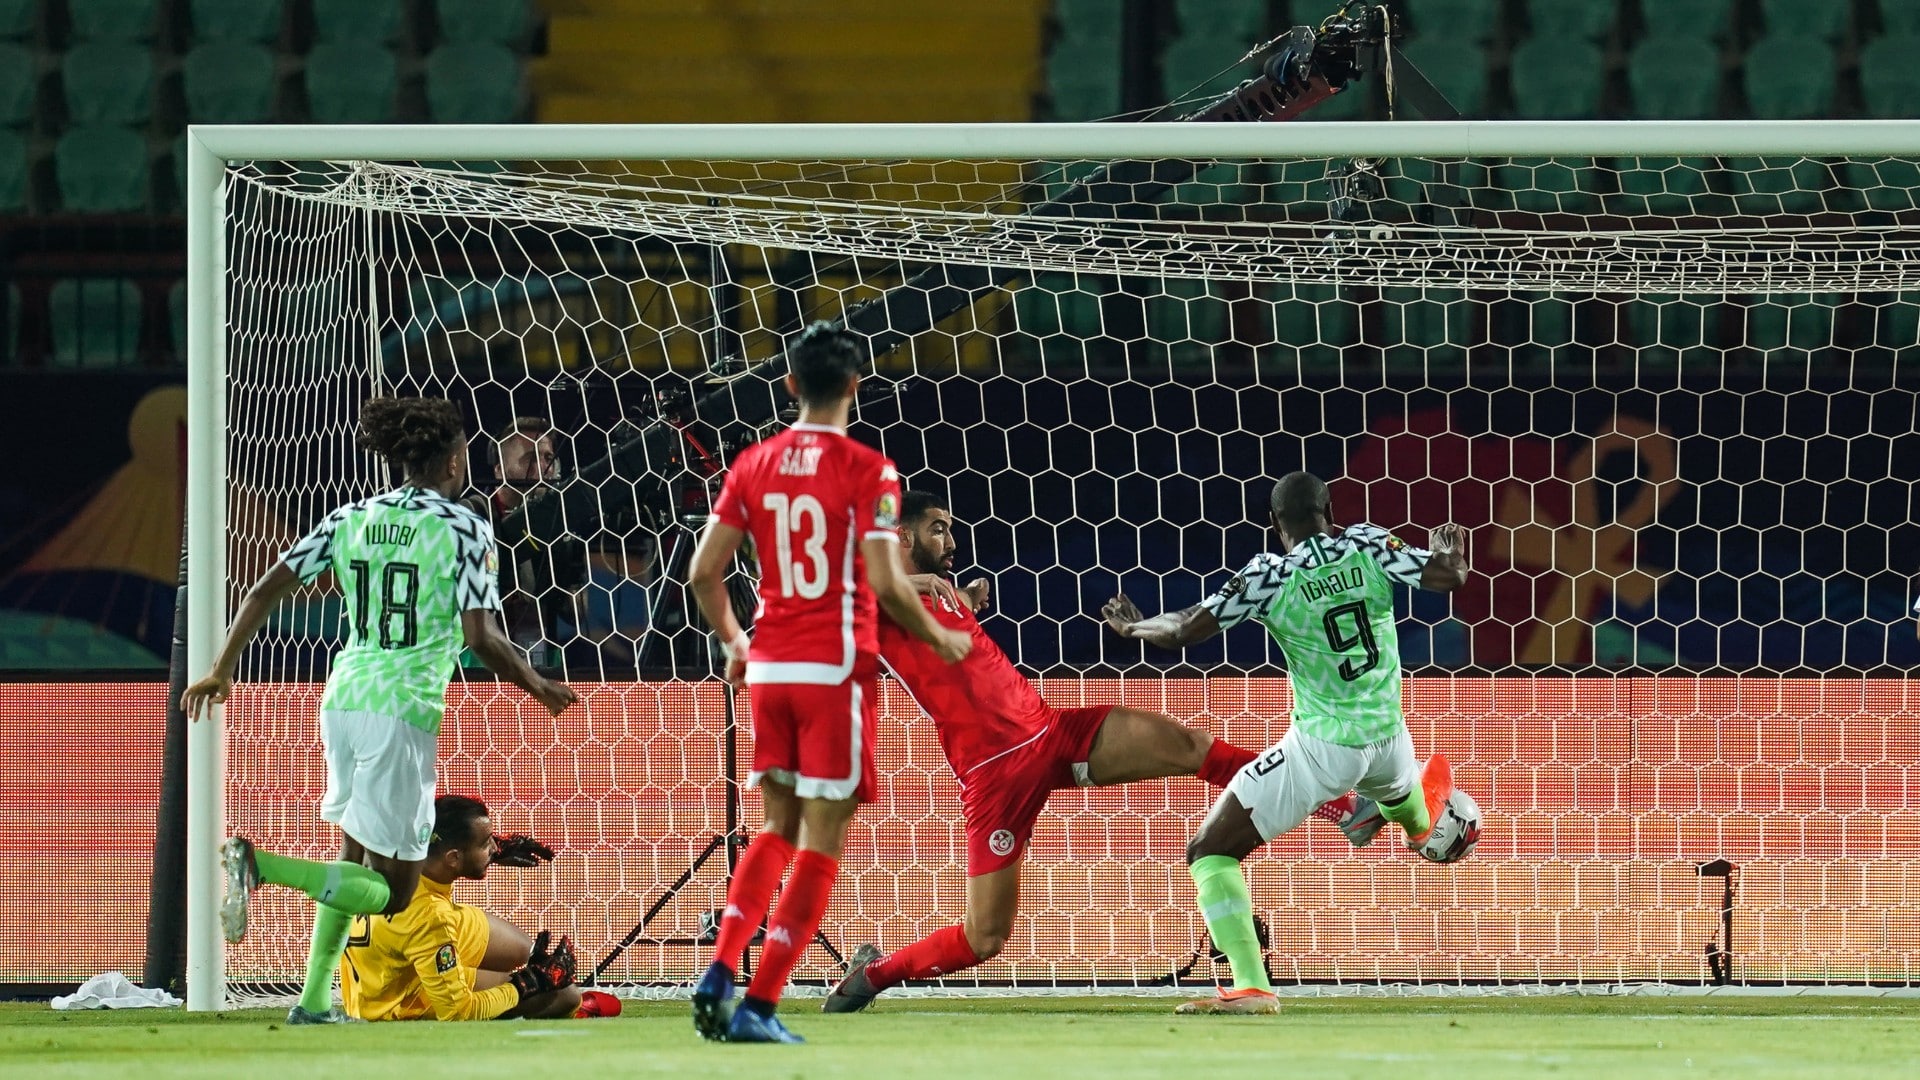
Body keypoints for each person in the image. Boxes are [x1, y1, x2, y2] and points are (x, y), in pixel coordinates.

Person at [821, 491, 1374, 1012]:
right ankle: (873, 974)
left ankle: (1343, 808)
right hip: (996, 776)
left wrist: (959, 598)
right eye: (937, 529)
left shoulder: (931, 593)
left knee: (1190, 745)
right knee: (984, 936)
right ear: (899, 534)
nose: (950, 542)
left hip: (1054, 733)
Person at [182, 396, 579, 1025]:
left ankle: (313, 1003)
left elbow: (263, 588)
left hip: (343, 696)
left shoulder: (350, 517)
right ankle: (262, 866)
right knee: (395, 894)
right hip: (402, 707)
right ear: (455, 459)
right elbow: (480, 636)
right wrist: (537, 684)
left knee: (351, 858)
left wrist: (222, 668)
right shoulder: (464, 527)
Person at [684, 322, 973, 1044]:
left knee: (775, 829)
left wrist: (734, 641)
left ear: (788, 386)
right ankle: (759, 1007)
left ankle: (721, 968)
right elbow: (882, 578)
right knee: (821, 841)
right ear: (854, 386)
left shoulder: (752, 463)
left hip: (771, 667)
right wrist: (939, 633)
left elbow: (702, 573)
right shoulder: (870, 471)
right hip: (834, 670)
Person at [1100, 471, 1468, 1015]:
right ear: (1330, 510)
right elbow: (1448, 577)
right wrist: (1448, 551)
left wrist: (1135, 630)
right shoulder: (1367, 542)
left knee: (1209, 853)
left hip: (1323, 751)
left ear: (1275, 525)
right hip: (1391, 736)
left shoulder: (1270, 575)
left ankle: (1251, 986)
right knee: (1395, 786)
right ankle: (1420, 825)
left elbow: (1184, 630)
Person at [340, 793, 619, 1022]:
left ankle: (451, 968)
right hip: (399, 998)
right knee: (566, 996)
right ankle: (572, 1007)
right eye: (486, 844)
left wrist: (491, 848)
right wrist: (525, 985)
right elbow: (458, 1011)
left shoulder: (389, 855)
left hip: (396, 949)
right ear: (453, 858)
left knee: (528, 951)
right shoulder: (430, 918)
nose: (496, 848)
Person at [479, 415, 585, 667]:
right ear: (499, 469)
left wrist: (567, 589)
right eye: (529, 459)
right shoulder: (476, 518)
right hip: (481, 665)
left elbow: (578, 614)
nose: (542, 470)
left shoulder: (560, 526)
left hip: (544, 661)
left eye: (548, 458)